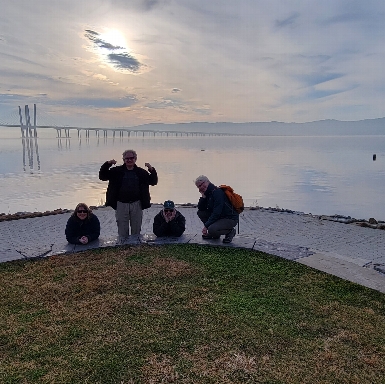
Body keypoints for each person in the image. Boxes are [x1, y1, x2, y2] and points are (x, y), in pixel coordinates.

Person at [99, 149, 158, 240]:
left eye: (131, 158)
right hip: (121, 204)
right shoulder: (116, 171)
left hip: (136, 204)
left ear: (135, 159)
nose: (129, 160)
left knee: (136, 230)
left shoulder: (141, 172)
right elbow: (102, 176)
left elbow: (153, 181)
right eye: (127, 158)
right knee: (122, 231)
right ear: (123, 159)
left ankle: (135, 248)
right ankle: (123, 248)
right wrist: (108, 163)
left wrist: (151, 169)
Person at [194, 175, 238, 243]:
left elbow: (217, 212)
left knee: (211, 229)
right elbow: (201, 208)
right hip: (220, 217)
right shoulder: (208, 193)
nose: (201, 187)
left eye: (201, 184)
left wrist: (206, 226)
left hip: (229, 218)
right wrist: (203, 196)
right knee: (201, 213)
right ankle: (215, 234)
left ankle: (230, 231)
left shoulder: (218, 192)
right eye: (198, 186)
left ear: (207, 182)